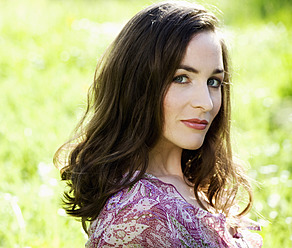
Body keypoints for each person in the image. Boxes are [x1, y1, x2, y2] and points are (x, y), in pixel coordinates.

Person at [54, 1, 263, 247]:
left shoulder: (199, 183)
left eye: (213, 82)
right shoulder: (137, 216)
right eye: (181, 78)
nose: (206, 103)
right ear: (138, 85)